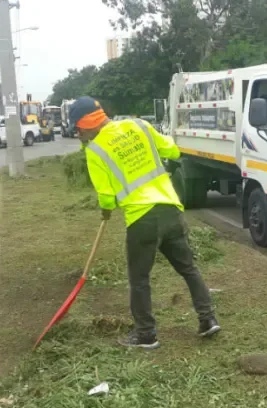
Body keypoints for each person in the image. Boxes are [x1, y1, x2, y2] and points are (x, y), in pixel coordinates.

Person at [69, 97, 221, 349]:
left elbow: (107, 198)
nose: (78, 135)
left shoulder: (95, 151)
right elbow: (172, 150)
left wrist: (106, 210)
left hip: (142, 220)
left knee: (139, 279)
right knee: (188, 268)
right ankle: (208, 319)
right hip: (171, 210)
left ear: (87, 123)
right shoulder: (139, 125)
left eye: (78, 129)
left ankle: (146, 334)